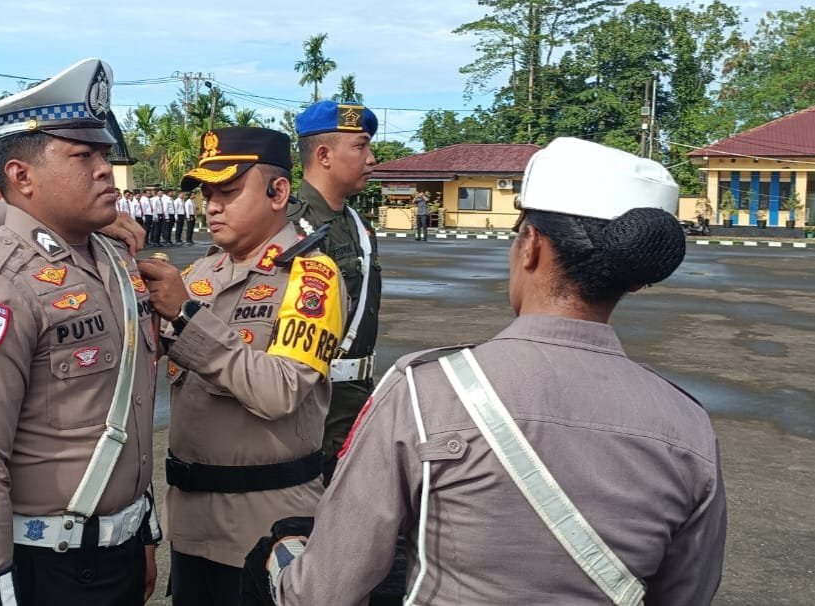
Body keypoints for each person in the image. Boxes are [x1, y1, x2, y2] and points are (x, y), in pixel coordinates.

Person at [262, 138, 726, 605]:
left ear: (531, 247)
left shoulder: (426, 393)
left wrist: (283, 557)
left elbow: (322, 592)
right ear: (635, 280)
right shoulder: (687, 426)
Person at [0, 59, 160, 606]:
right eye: (82, 156)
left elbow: (127, 411)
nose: (105, 170)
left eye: (104, 154)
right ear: (21, 176)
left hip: (118, 552)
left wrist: (142, 530)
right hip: (44, 567)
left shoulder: (111, 261)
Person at [135, 128, 344, 606]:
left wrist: (186, 318)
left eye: (228, 192)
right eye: (207, 195)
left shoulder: (311, 278)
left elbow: (280, 391)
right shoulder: (197, 275)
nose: (212, 207)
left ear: (278, 192)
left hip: (265, 529)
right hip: (191, 527)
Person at [287, 100, 384, 483]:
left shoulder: (357, 225)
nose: (371, 158)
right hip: (314, 403)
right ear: (324, 155)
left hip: (355, 399)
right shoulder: (290, 227)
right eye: (361, 146)